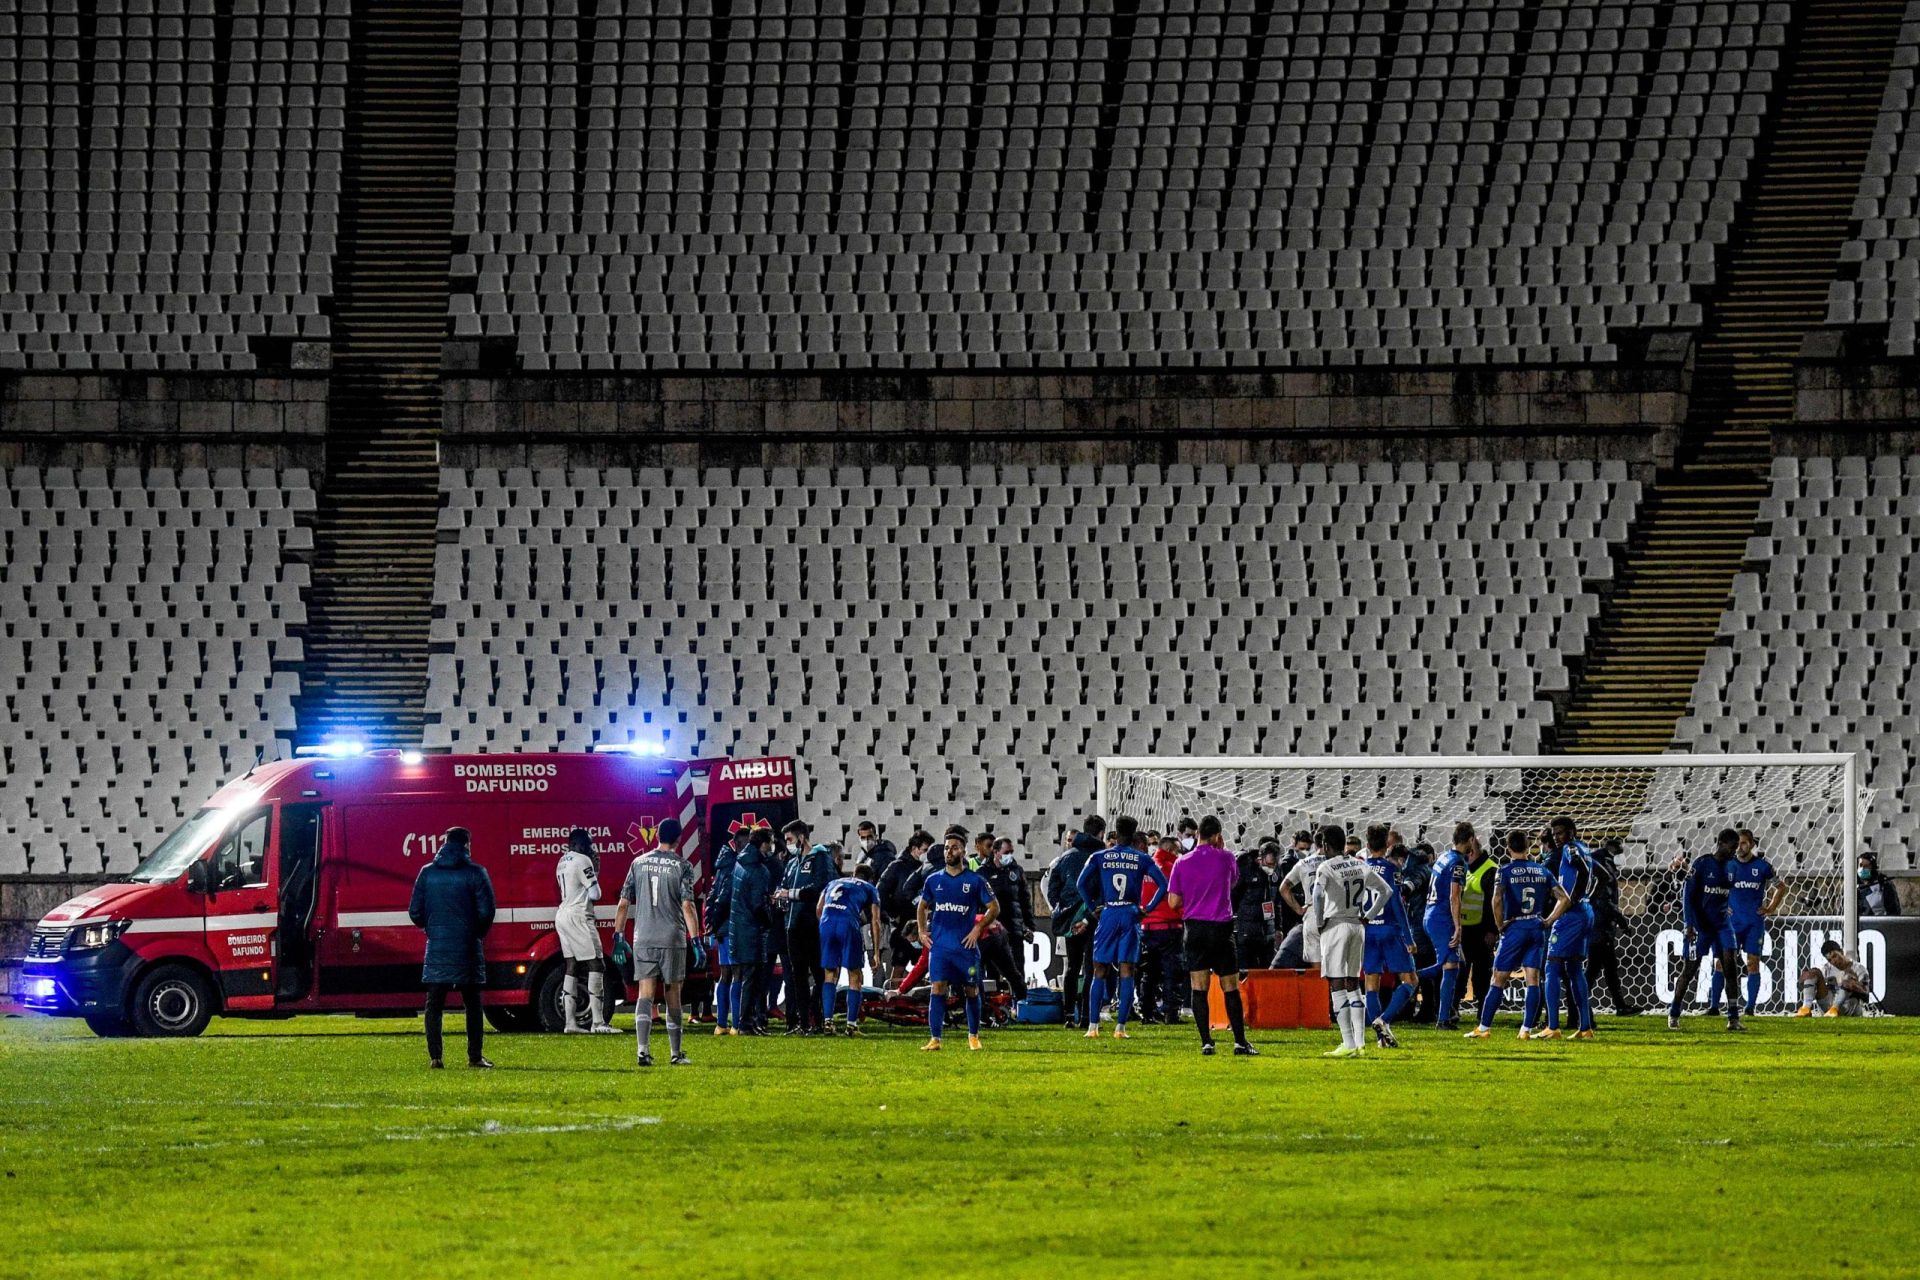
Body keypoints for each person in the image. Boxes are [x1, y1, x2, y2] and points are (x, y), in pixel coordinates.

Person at [1167, 815, 1256, 1057]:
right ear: (1218, 836)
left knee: (1199, 987)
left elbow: (1173, 901)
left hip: (1195, 928)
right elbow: (1232, 883)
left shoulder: (1182, 862)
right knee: (1230, 986)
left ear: (1197, 835)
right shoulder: (1226, 857)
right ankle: (1239, 1042)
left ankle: (1207, 1041)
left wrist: (1193, 900)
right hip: (1221, 928)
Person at [616, 817, 702, 1067]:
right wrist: (696, 940)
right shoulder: (682, 866)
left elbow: (623, 903)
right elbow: (687, 905)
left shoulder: (638, 863)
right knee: (672, 993)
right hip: (671, 938)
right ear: (679, 838)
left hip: (643, 938)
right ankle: (676, 1053)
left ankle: (642, 1051)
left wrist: (618, 936)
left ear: (657, 836)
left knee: (645, 994)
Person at [408, 826, 496, 1070]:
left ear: (444, 842)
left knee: (434, 1004)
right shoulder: (476, 873)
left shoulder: (427, 873)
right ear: (467, 843)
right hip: (468, 946)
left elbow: (414, 912)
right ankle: (474, 1056)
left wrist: (433, 929)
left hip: (437, 947)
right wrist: (476, 933)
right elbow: (487, 911)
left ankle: (436, 1057)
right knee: (473, 1004)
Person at [1073, 814, 1168, 1039]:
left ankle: (1092, 1027)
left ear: (1115, 832)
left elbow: (1081, 883)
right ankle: (1120, 1028)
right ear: (1134, 835)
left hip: (1109, 912)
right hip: (1131, 913)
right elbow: (1163, 884)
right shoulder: (1141, 858)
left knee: (1099, 970)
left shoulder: (1100, 856)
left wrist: (1093, 905)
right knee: (1127, 970)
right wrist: (1148, 908)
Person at [1465, 831, 1565, 1041]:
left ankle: (1483, 1028)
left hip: (1515, 928)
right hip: (1536, 927)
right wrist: (1548, 921)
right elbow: (1564, 898)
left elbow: (1496, 900)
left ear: (1508, 848)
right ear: (1528, 847)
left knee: (1498, 979)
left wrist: (1500, 925)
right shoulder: (1542, 871)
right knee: (1533, 980)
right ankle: (1526, 1030)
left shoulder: (1505, 871)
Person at [1312, 824, 1394, 1059]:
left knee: (1337, 984)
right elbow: (1386, 891)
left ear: (1326, 845)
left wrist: (1319, 921)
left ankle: (1348, 1042)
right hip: (1358, 926)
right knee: (1353, 984)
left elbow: (1317, 895)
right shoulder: (1359, 864)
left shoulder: (1326, 867)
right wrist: (1368, 916)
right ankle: (1360, 1042)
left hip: (1335, 925)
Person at [916, 829, 999, 1051]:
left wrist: (978, 929)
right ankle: (935, 1039)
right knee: (937, 988)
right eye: (946, 847)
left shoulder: (974, 881)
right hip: (941, 947)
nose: (949, 851)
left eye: (953, 847)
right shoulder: (933, 880)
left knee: (971, 989)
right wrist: (922, 932)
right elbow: (922, 906)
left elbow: (994, 907)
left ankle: (973, 1036)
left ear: (963, 851)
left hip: (965, 948)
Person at [1667, 829, 1744, 1032]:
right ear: (1720, 843)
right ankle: (1674, 1013)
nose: (1734, 851)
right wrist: (1688, 924)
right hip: (1700, 926)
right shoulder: (1702, 864)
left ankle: (1733, 1018)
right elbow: (1688, 896)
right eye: (1732, 847)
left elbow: (1725, 893)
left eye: (1736, 847)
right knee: (1689, 970)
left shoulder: (1733, 867)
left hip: (1722, 924)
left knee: (1730, 965)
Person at [553, 827, 617, 1034]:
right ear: (579, 843)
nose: (591, 847)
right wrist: (596, 870)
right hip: (579, 916)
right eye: (588, 843)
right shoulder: (583, 860)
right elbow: (595, 894)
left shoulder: (562, 861)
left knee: (571, 965)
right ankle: (598, 1022)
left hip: (562, 913)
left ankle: (570, 1023)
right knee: (596, 963)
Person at [1538, 816, 1597, 1040]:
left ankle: (1552, 1026)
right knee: (1574, 969)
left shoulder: (1571, 849)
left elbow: (1582, 871)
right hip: (1585, 911)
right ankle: (1585, 1027)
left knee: (1551, 967)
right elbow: (1597, 875)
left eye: (1561, 833)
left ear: (1572, 831)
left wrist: (1571, 899)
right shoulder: (1584, 848)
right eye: (1555, 834)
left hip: (1572, 914)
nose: (1557, 837)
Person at [1359, 824, 1417, 1049]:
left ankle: (1380, 1038)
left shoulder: (1360, 869)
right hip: (1390, 931)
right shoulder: (1391, 869)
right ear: (1387, 846)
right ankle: (1384, 1020)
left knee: (1371, 984)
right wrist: (1409, 938)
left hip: (1368, 931)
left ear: (1366, 845)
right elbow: (1396, 903)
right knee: (1411, 981)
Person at [1046, 817, 1103, 1029]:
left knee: (1071, 967)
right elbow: (1101, 893)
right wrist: (1087, 918)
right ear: (1101, 833)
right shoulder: (1098, 858)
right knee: (1091, 968)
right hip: (1092, 920)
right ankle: (1087, 1017)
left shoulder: (1065, 857)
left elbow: (1052, 889)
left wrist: (1063, 911)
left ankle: (1069, 1015)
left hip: (1070, 921)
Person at [777, 820, 832, 1035]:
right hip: (792, 924)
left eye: (790, 839)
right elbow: (785, 886)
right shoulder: (792, 863)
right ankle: (803, 1023)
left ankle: (819, 1019)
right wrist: (780, 895)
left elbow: (821, 886)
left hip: (812, 923)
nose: (788, 845)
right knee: (796, 974)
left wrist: (791, 894)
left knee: (819, 973)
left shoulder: (820, 857)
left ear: (801, 838)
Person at [817, 859, 883, 1034]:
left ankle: (828, 1022)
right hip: (848, 924)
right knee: (855, 974)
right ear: (870, 879)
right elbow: (875, 922)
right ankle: (851, 1025)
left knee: (830, 973)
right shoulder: (870, 888)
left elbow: (819, 909)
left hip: (826, 922)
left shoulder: (833, 882)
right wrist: (876, 952)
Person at [1727, 828, 1786, 1017]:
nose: (1740, 847)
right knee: (1721, 963)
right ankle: (1713, 1007)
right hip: (1731, 923)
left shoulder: (1762, 866)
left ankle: (1750, 1007)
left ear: (1752, 844)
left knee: (1753, 963)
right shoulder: (1728, 865)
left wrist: (1770, 908)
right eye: (1737, 843)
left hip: (1754, 923)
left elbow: (1781, 887)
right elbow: (1715, 887)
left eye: (1744, 843)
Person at [727, 829, 779, 1036]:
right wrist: (769, 921)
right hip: (752, 931)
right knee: (754, 980)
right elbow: (758, 905)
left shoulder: (740, 863)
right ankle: (746, 1023)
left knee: (747, 978)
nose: (772, 847)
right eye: (771, 843)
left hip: (739, 927)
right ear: (764, 844)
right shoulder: (759, 870)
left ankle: (746, 1022)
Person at [1421, 823, 1472, 1031]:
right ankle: (1443, 1018)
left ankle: (1448, 1010)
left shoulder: (1443, 856)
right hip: (1442, 919)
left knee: (1457, 962)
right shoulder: (1458, 863)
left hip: (1431, 915)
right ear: (1470, 839)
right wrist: (1458, 926)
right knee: (1449, 966)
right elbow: (1454, 896)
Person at [707, 823, 752, 1035]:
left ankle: (721, 1024)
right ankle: (736, 1024)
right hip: (732, 925)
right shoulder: (737, 866)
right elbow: (725, 897)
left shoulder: (722, 865)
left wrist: (711, 922)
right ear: (737, 844)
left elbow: (712, 896)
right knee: (737, 974)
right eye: (745, 843)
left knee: (725, 974)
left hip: (721, 927)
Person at [1139, 833, 1186, 1023]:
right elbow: (1179, 898)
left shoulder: (1146, 867)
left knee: (1149, 973)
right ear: (1171, 850)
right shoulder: (1173, 868)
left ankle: (1147, 1012)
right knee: (1171, 971)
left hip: (1147, 926)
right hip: (1169, 926)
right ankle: (1170, 1012)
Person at [977, 837, 1032, 1000]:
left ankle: (1020, 1004)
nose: (1010, 855)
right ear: (995, 852)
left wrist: (1029, 926)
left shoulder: (1016, 871)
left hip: (1014, 927)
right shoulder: (982, 873)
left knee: (1017, 968)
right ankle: (993, 1004)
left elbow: (1025, 900)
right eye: (1006, 852)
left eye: (1011, 852)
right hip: (992, 930)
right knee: (992, 970)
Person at [1587, 837, 1637, 1015]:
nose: (1622, 854)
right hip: (1601, 926)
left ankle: (1621, 1006)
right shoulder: (1603, 867)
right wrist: (1622, 921)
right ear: (1612, 848)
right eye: (1620, 850)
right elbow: (1604, 901)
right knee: (1594, 970)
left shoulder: (1598, 862)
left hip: (1599, 924)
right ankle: (1577, 1005)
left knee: (1608, 968)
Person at [878, 830, 933, 984]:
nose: (926, 854)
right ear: (914, 849)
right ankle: (892, 1000)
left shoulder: (927, 868)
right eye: (924, 850)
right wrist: (891, 915)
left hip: (924, 924)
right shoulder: (897, 867)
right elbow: (880, 892)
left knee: (925, 966)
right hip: (904, 926)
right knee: (899, 965)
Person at [1458, 834, 1499, 1013]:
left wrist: (1492, 931)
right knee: (1460, 971)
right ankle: (1454, 1009)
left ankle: (1484, 1010)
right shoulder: (1465, 867)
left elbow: (1494, 903)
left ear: (1472, 851)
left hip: (1481, 930)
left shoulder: (1491, 870)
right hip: (1463, 929)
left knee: (1482, 973)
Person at [1277, 830, 1329, 972]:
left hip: (1311, 915)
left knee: (1317, 971)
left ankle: (1321, 992)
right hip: (1333, 914)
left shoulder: (1304, 863)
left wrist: (1300, 909)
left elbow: (1283, 888)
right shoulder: (1335, 863)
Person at [1231, 842, 1281, 975]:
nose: (1272, 867)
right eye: (1269, 864)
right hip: (1247, 932)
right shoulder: (1245, 871)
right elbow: (1234, 897)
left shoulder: (1274, 875)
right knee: (1247, 971)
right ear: (1260, 858)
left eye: (1274, 865)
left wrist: (1277, 928)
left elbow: (1276, 902)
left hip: (1267, 933)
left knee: (1267, 972)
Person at [1796, 939, 1871, 1016]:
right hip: (1828, 1008)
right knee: (1814, 972)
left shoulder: (1859, 968)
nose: (1833, 961)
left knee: (1847, 982)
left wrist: (1855, 985)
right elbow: (1802, 989)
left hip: (1849, 1008)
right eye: (1829, 960)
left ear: (1841, 952)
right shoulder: (1826, 969)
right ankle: (1805, 1008)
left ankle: (1835, 1009)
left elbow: (1866, 997)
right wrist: (1803, 981)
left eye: (1835, 956)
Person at [1857, 852, 1902, 917]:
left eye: (1866, 866)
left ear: (1873, 867)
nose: (1863, 869)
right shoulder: (1853, 886)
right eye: (1860, 865)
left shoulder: (1884, 884)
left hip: (1880, 923)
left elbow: (1894, 911)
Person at [855, 820, 897, 885]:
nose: (866, 841)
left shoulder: (887, 856)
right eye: (863, 838)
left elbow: (887, 884)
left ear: (876, 836)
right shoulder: (862, 854)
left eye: (869, 837)